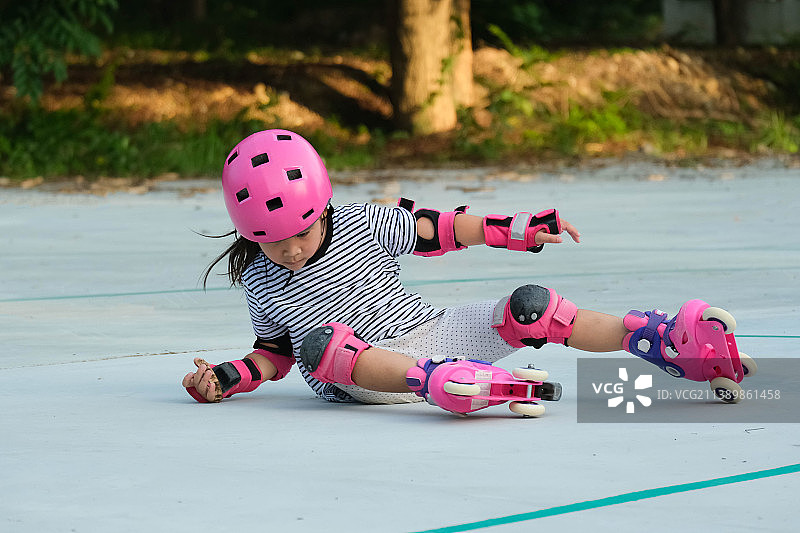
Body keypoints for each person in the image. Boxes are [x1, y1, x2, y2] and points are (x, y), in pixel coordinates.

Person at [182, 129, 751, 415]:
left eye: (300, 233)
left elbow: (442, 227)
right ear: (246, 232)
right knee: (320, 344)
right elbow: (276, 353)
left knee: (533, 308)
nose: (288, 250)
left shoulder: (360, 223)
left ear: (325, 207)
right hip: (357, 377)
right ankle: (448, 381)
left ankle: (661, 341)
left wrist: (516, 229)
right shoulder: (260, 276)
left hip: (426, 334)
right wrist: (231, 376)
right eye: (270, 241)